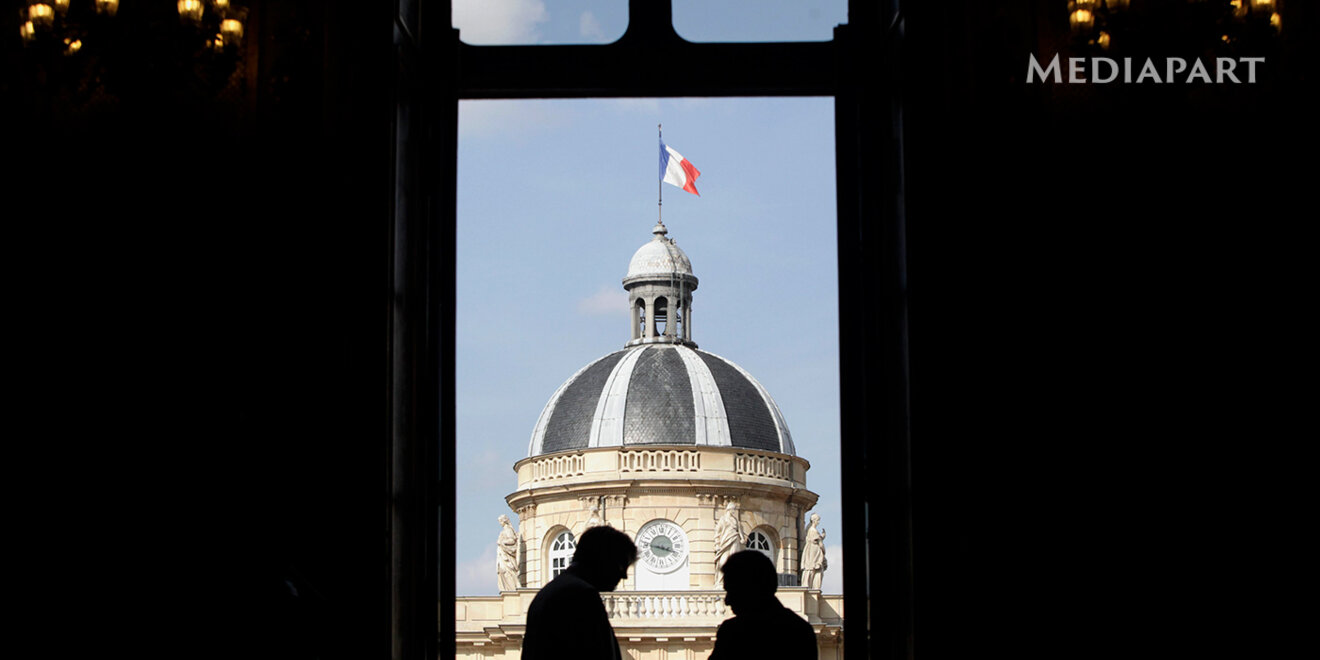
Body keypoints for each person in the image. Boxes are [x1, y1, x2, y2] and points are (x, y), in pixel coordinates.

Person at [521, 525, 638, 660]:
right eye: (621, 565)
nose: (624, 576)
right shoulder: (582, 596)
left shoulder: (548, 593)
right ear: (603, 558)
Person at [710, 550, 818, 660]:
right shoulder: (801, 632)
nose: (727, 601)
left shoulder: (732, 634)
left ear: (752, 589)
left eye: (732, 591)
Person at [713, 501, 743, 586]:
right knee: (723, 560)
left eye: (734, 509)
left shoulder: (735, 520)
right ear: (729, 509)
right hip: (725, 541)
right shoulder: (723, 519)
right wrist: (717, 544)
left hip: (735, 539)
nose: (734, 511)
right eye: (733, 509)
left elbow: (740, 530)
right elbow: (717, 532)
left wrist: (742, 538)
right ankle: (720, 581)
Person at [800, 512, 827, 590]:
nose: (818, 522)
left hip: (812, 551)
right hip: (813, 552)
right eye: (818, 520)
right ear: (814, 520)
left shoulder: (811, 530)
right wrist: (824, 551)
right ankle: (810, 586)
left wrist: (822, 537)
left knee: (813, 569)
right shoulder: (813, 530)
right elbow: (820, 544)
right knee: (812, 568)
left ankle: (810, 586)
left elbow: (817, 539)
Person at [496, 515, 520, 591]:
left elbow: (512, 540)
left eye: (500, 521)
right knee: (502, 571)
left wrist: (502, 542)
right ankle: (508, 589)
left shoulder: (508, 530)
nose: (500, 523)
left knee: (508, 572)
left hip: (507, 556)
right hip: (502, 554)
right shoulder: (504, 530)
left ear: (504, 521)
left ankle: (511, 589)